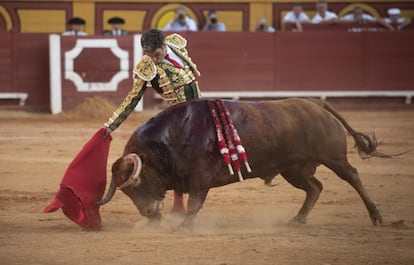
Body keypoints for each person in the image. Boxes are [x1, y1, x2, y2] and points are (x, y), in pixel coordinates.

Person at [104, 29, 201, 213]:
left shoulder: (176, 44)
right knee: (179, 157)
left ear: (165, 46)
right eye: (148, 56)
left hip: (200, 109)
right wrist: (111, 125)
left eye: (156, 55)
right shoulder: (146, 67)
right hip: (179, 117)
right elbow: (132, 99)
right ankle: (178, 202)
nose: (153, 60)